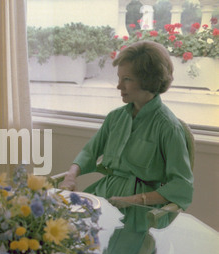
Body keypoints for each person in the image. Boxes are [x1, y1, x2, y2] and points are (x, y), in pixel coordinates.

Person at [59, 41, 193, 211]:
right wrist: (71, 176)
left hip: (142, 210)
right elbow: (89, 152)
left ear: (148, 80)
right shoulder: (115, 118)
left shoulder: (168, 127)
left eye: (127, 79)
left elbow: (182, 185)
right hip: (104, 198)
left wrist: (135, 200)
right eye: (119, 78)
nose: (119, 86)